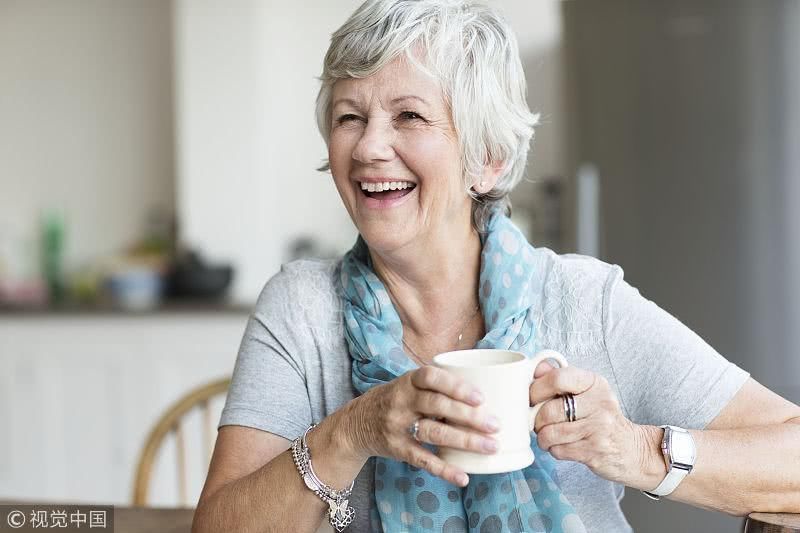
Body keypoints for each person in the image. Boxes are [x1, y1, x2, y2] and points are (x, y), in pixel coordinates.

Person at [191, 1, 800, 532]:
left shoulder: (581, 300)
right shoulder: (302, 308)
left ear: (486, 159)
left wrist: (636, 451)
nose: (370, 147)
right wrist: (350, 434)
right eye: (350, 116)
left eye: (408, 116)